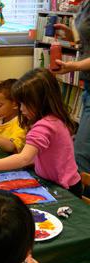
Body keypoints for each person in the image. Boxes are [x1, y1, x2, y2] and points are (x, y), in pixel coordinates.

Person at [0, 68, 82, 198]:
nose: (21, 109)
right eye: (20, 103)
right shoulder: (55, 118)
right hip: (61, 181)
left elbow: (24, 158)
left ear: (40, 101)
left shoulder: (45, 126)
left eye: (25, 103)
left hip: (64, 188)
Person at [54, 0, 90, 195]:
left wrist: (73, 67)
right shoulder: (84, 5)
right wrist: (73, 39)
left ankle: (81, 212)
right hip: (88, 88)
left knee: (82, 155)